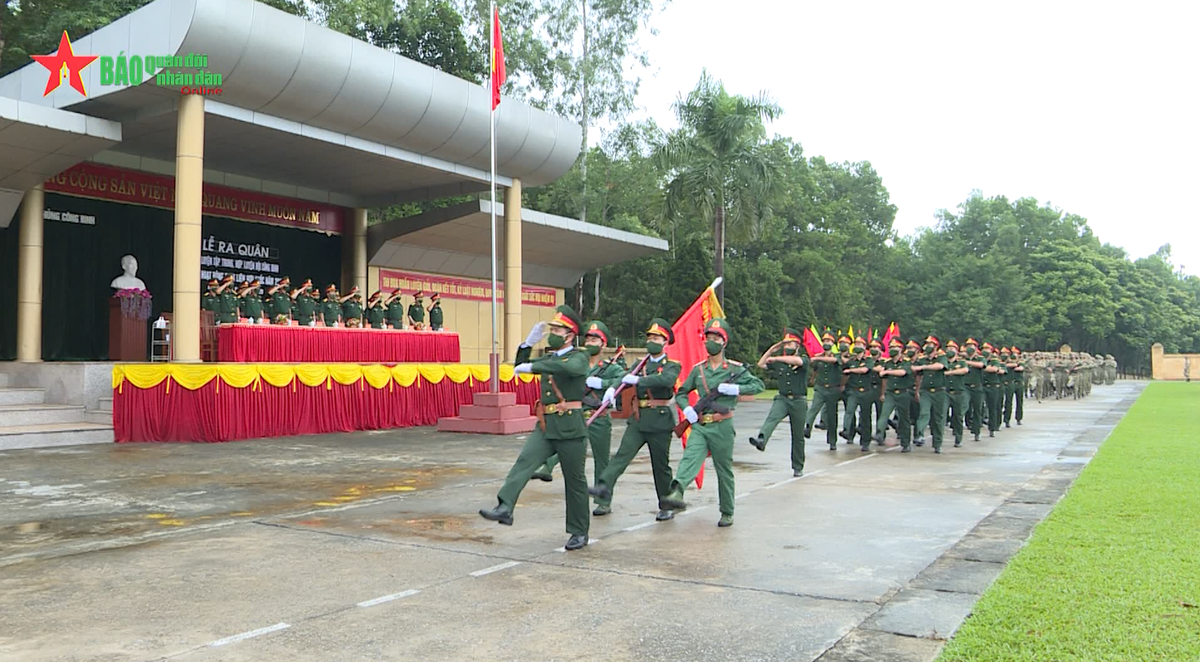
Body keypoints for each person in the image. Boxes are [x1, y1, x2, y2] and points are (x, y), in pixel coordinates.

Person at [480, 306, 592, 551]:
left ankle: (579, 531)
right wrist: (527, 345)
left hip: (571, 428)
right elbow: (521, 365)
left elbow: (568, 369)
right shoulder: (550, 358)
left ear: (570, 335)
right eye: (551, 328)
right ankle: (505, 507)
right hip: (546, 424)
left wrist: (534, 366)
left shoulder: (579, 356)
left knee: (575, 482)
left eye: (557, 329)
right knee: (525, 462)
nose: (552, 332)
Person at [660, 318, 764, 528]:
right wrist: (687, 409)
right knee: (690, 458)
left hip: (722, 426)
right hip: (700, 425)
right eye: (708, 337)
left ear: (724, 342)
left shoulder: (734, 369)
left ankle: (727, 511)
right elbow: (681, 393)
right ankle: (677, 492)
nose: (711, 342)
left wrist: (736, 389)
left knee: (723, 470)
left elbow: (758, 385)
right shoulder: (699, 370)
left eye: (716, 338)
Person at [588, 319, 681, 519]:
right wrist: (612, 388)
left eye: (656, 338)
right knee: (622, 455)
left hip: (660, 421)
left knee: (660, 466)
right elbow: (623, 379)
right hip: (638, 419)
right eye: (649, 337)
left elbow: (666, 380)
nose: (652, 341)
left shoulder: (672, 365)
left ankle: (666, 504)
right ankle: (603, 487)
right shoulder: (640, 364)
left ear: (665, 342)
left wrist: (639, 380)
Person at [749, 328, 809, 476]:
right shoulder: (780, 362)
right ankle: (762, 440)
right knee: (772, 418)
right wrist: (771, 350)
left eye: (791, 344)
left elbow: (796, 361)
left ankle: (798, 466)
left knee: (798, 435)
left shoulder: (804, 360)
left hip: (798, 401)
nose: (787, 347)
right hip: (783, 399)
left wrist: (776, 358)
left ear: (797, 346)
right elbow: (761, 364)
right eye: (786, 344)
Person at [875, 339, 917, 452]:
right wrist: (883, 393)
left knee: (904, 419)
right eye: (891, 347)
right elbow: (884, 379)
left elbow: (902, 372)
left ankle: (905, 443)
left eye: (895, 347)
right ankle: (879, 433)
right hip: (890, 393)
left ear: (901, 349)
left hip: (903, 393)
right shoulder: (887, 363)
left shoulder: (906, 362)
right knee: (884, 414)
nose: (893, 350)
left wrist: (888, 372)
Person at [804, 331, 843, 451]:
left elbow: (834, 362)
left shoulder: (836, 356)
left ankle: (832, 441)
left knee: (832, 416)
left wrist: (817, 358)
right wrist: (812, 379)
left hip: (832, 389)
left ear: (833, 343)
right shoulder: (818, 356)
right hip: (820, 387)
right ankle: (807, 427)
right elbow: (815, 369)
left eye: (829, 341)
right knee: (814, 407)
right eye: (825, 341)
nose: (826, 343)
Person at [912, 335, 949, 454]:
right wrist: (917, 390)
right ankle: (919, 434)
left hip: (939, 392)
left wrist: (923, 367)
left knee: (938, 419)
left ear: (936, 346)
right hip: (925, 391)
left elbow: (940, 366)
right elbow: (918, 375)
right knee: (924, 413)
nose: (927, 346)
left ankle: (937, 443)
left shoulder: (941, 357)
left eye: (930, 344)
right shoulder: (922, 359)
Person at [840, 336, 875, 452]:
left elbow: (864, 370)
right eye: (856, 344)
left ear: (865, 348)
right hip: (853, 391)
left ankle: (865, 441)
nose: (857, 346)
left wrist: (851, 370)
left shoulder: (869, 360)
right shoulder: (851, 361)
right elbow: (843, 371)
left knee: (865, 417)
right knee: (849, 410)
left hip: (865, 391)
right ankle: (846, 431)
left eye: (860, 344)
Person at [943, 340, 971, 448]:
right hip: (945, 392)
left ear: (957, 351)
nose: (950, 350)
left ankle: (958, 439)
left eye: (952, 348)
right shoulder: (943, 362)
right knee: (942, 415)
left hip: (958, 393)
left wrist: (950, 372)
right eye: (948, 348)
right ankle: (938, 440)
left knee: (958, 417)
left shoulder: (961, 362)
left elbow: (964, 370)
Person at [962, 339, 986, 441]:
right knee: (964, 406)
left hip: (977, 387)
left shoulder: (980, 358)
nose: (970, 348)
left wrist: (967, 362)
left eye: (972, 346)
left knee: (977, 410)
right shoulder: (961, 358)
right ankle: (958, 428)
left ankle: (976, 431)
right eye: (968, 346)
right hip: (965, 386)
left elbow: (981, 365)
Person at [981, 342, 1005, 438]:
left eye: (987, 349)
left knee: (993, 407)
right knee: (979, 407)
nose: (985, 351)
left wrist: (982, 367)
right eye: (984, 349)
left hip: (993, 386)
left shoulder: (995, 361)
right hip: (982, 386)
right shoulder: (980, 360)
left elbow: (994, 369)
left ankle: (992, 427)